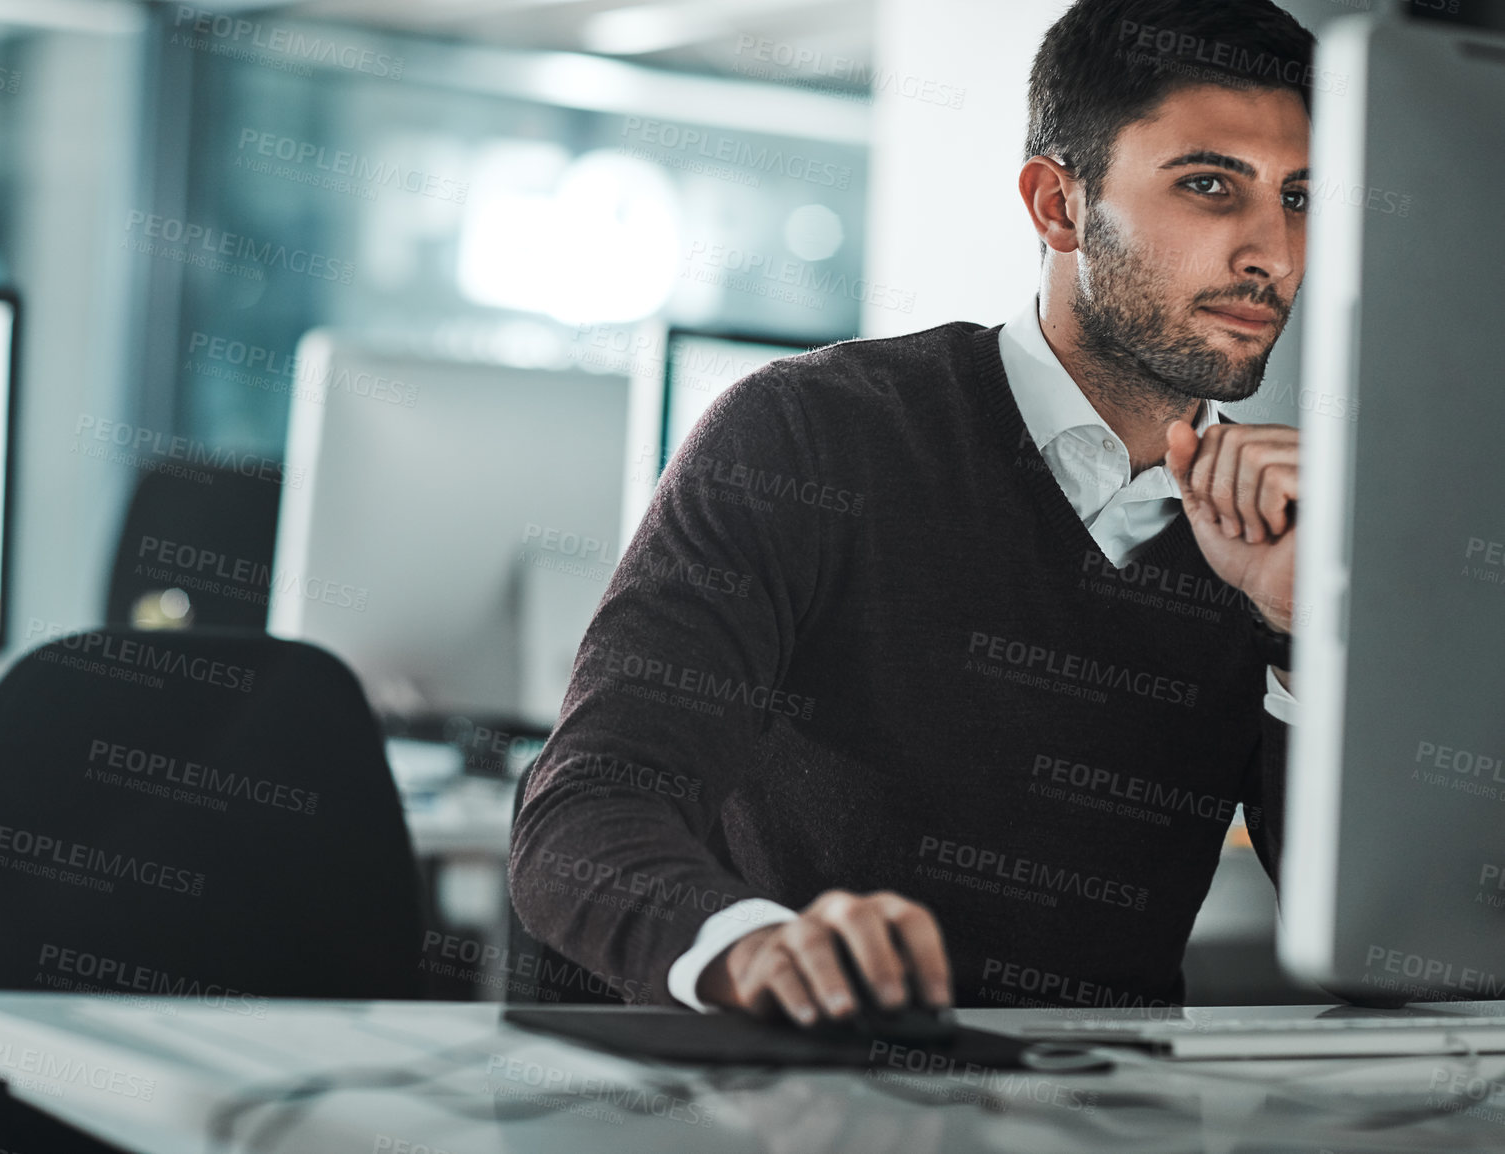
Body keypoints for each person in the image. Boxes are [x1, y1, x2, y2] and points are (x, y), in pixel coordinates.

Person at [510, 0, 1311, 1025]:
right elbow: (583, 810)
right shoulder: (806, 434)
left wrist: (1295, 638)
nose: (1273, 256)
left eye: (1296, 198)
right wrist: (750, 946)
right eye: (1210, 186)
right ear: (1057, 207)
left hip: (1110, 1119)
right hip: (802, 1103)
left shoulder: (1275, 524)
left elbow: (1398, 954)